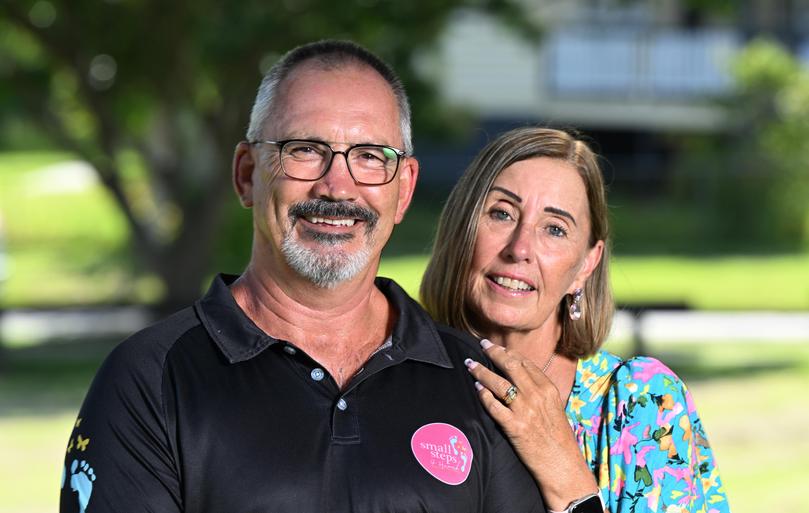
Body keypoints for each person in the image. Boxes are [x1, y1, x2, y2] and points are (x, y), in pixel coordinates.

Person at [59, 41, 545, 513]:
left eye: (370, 156)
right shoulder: (149, 377)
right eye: (305, 149)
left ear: (404, 189)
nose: (337, 186)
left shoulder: (476, 383)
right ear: (247, 174)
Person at [421, 127, 730, 513]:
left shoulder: (642, 403)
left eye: (555, 229)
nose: (519, 249)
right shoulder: (397, 378)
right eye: (501, 213)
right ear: (461, 227)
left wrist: (564, 470)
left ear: (586, 264)